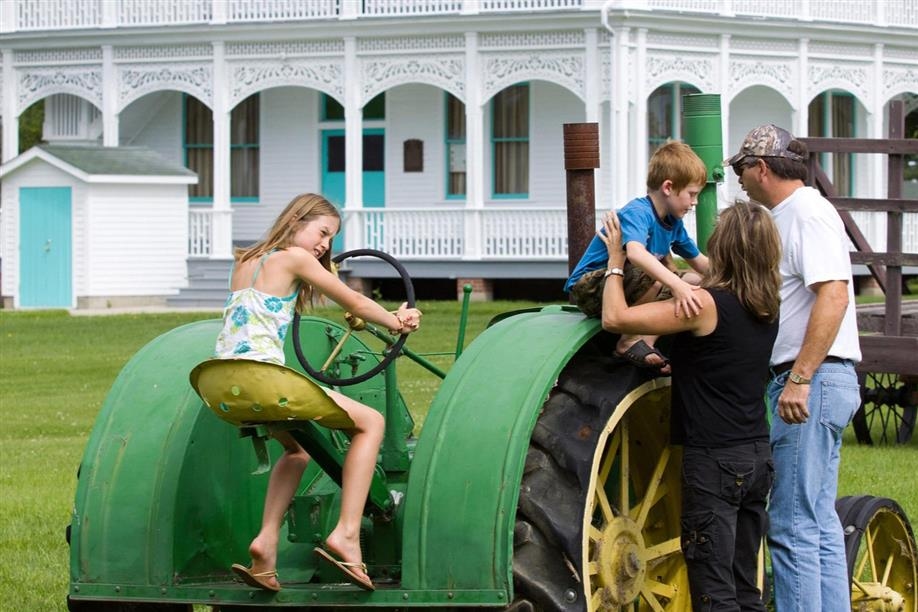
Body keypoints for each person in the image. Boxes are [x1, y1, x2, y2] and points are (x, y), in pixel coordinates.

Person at [213, 193, 422, 592]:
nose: (325, 245)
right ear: (296, 220)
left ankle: (265, 544)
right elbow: (356, 302)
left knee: (297, 451)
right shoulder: (294, 257)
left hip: (224, 381)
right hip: (264, 377)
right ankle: (346, 532)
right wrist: (396, 321)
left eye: (331, 240)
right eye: (322, 232)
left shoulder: (245, 261)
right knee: (371, 423)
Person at [598, 201, 782, 610]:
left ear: (724, 249)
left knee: (713, 591)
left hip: (716, 462)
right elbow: (717, 358)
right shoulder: (767, 306)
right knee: (744, 588)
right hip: (756, 457)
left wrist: (615, 261)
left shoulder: (704, 307)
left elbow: (614, 318)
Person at [725, 124, 862, 611]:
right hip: (822, 381)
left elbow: (835, 293)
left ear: (762, 168)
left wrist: (800, 378)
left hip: (812, 381)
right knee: (819, 522)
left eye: (742, 170)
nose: (739, 180)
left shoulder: (805, 213)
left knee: (790, 526)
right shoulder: (791, 214)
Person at [564, 141, 710, 371]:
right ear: (668, 187)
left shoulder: (673, 223)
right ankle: (628, 339)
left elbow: (700, 262)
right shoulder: (638, 212)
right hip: (592, 286)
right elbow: (635, 253)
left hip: (630, 283)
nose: (695, 202)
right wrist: (674, 283)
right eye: (692, 194)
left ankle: (646, 341)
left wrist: (734, 280)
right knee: (660, 273)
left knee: (694, 282)